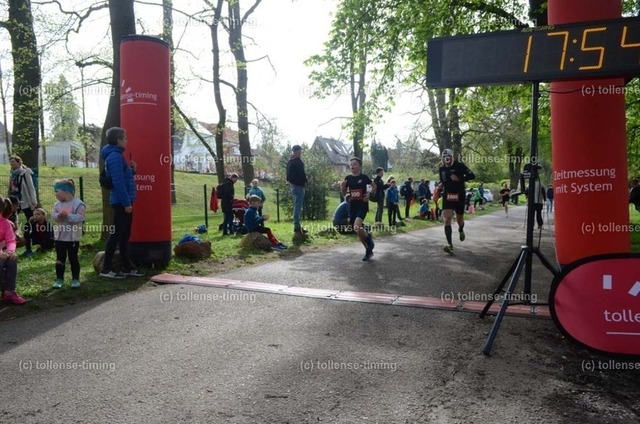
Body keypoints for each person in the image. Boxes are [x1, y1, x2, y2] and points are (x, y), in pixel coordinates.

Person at [99, 127, 144, 279]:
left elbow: (123, 178)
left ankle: (127, 267)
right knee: (116, 235)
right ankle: (106, 268)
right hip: (121, 202)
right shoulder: (114, 157)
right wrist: (126, 204)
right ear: (118, 140)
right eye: (124, 138)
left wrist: (132, 170)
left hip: (123, 201)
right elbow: (118, 183)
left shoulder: (117, 156)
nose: (127, 141)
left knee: (124, 235)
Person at [437, 149, 475, 254]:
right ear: (442, 158)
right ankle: (450, 245)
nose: (446, 159)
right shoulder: (441, 169)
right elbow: (443, 180)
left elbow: (472, 176)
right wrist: (441, 185)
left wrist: (459, 179)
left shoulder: (459, 166)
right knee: (447, 219)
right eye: (444, 157)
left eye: (448, 157)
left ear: (452, 157)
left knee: (459, 220)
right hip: (447, 195)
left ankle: (461, 229)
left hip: (459, 194)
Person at [51, 179, 86, 289]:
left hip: (72, 238)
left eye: (57, 191)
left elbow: (81, 217)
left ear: (66, 191)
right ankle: (59, 279)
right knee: (60, 258)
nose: (55, 194)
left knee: (73, 258)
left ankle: (75, 279)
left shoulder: (78, 204)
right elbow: (53, 215)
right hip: (60, 238)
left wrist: (68, 216)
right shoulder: (57, 205)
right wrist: (58, 216)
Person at [341, 157, 375, 261]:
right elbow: (344, 193)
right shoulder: (348, 178)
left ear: (359, 166)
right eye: (351, 164)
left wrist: (369, 195)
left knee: (357, 225)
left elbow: (374, 186)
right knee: (357, 229)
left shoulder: (364, 177)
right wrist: (342, 188)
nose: (352, 166)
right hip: (353, 206)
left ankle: (369, 241)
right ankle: (368, 250)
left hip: (362, 205)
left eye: (355, 164)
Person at [0, 196, 25, 304]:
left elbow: (10, 240)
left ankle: (9, 292)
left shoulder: (6, 223)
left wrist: (10, 251)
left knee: (12, 259)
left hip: (3, 251)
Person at [8, 155, 38, 225]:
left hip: (25, 199)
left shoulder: (25, 172)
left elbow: (30, 187)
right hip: (14, 199)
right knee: (11, 218)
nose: (11, 163)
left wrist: (34, 201)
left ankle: (31, 231)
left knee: (30, 218)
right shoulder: (13, 174)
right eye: (10, 162)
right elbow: (10, 188)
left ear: (19, 162)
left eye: (13, 161)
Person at [286, 145, 307, 235]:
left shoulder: (294, 161)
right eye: (297, 151)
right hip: (297, 186)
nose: (299, 152)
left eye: (299, 150)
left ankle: (298, 226)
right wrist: (301, 180)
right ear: (294, 152)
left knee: (298, 207)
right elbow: (289, 177)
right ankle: (297, 227)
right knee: (297, 207)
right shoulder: (294, 162)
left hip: (298, 186)